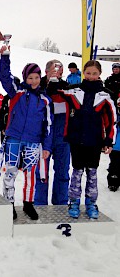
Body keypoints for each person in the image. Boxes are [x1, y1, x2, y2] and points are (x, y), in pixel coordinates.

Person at [50, 60, 117, 219]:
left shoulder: (106, 95)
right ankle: (73, 202)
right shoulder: (74, 91)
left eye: (94, 73)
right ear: (83, 73)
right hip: (76, 140)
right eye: (88, 73)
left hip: (95, 141)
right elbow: (56, 93)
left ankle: (91, 203)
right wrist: (53, 80)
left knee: (92, 173)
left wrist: (109, 141)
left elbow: (111, 120)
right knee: (77, 172)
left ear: (100, 74)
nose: (91, 76)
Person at [0, 46, 53, 220]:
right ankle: (9, 203)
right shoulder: (17, 92)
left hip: (33, 142)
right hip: (13, 138)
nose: (34, 81)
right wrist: (5, 56)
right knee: (11, 172)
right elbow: (4, 77)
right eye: (30, 77)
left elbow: (48, 126)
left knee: (30, 175)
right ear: (25, 78)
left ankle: (28, 204)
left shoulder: (44, 100)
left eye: (36, 77)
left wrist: (47, 146)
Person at [34, 60, 71, 206]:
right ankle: (40, 204)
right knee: (42, 174)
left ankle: (60, 204)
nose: (58, 73)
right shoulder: (37, 86)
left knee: (62, 173)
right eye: (54, 70)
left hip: (62, 136)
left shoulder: (67, 88)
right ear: (46, 71)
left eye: (60, 71)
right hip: (43, 137)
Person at [104, 62, 120, 191]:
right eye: (114, 68)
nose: (116, 70)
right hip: (112, 108)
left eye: (117, 68)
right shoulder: (109, 80)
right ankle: (113, 180)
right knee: (114, 160)